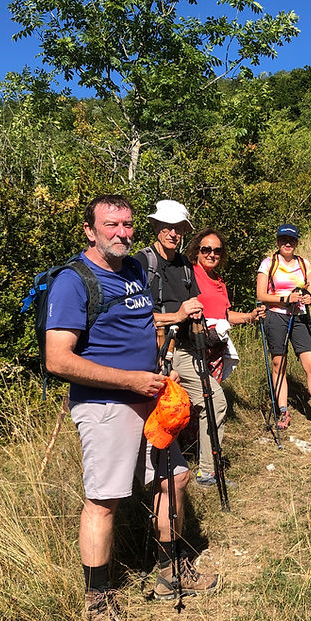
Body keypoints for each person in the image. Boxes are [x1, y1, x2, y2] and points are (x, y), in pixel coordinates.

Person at [45, 194, 220, 621]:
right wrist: (129, 380)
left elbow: (143, 324)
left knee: (175, 478)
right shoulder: (74, 281)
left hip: (150, 398)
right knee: (104, 500)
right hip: (106, 405)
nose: (122, 232)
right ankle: (97, 601)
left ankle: (170, 570)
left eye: (126, 224)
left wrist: (159, 366)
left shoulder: (135, 271)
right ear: (90, 231)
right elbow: (57, 359)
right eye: (111, 225)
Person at [133, 201, 229, 488]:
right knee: (151, 415)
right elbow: (131, 316)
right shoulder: (140, 263)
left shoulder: (186, 266)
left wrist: (201, 329)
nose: (173, 233)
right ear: (156, 226)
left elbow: (193, 305)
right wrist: (176, 316)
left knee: (214, 401)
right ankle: (151, 481)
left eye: (178, 228)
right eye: (167, 227)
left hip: (183, 350)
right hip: (149, 351)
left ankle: (206, 472)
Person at [185, 227, 265, 483]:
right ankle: (203, 467)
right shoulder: (189, 275)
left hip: (214, 349)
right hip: (194, 348)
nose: (211, 254)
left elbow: (225, 315)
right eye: (206, 249)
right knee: (208, 404)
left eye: (217, 250)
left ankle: (197, 457)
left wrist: (250, 316)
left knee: (205, 405)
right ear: (196, 251)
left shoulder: (219, 281)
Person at [256, 224, 311, 431]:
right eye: (284, 240)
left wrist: (309, 298)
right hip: (276, 317)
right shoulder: (268, 263)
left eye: (292, 240)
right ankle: (283, 411)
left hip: (299, 317)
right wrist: (285, 298)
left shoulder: (304, 263)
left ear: (296, 242)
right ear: (278, 242)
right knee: (279, 364)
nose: (288, 244)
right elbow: (261, 295)